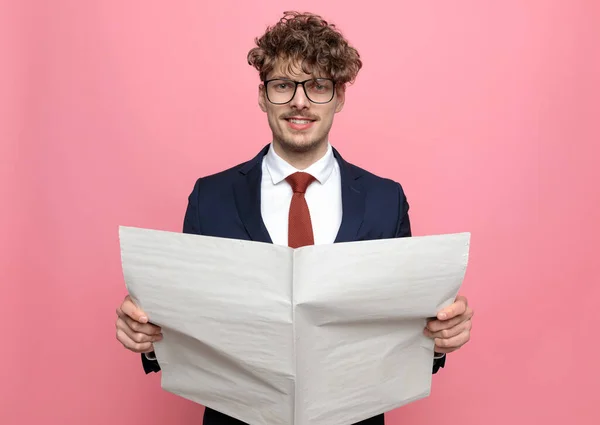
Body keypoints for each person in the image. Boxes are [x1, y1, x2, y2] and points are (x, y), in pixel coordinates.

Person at [115, 11, 474, 425]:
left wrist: (440, 339)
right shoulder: (209, 197)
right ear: (262, 95)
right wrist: (148, 337)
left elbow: (402, 332)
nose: (299, 101)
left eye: (318, 86)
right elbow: (188, 324)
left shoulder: (385, 200)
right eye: (283, 85)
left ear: (339, 97)